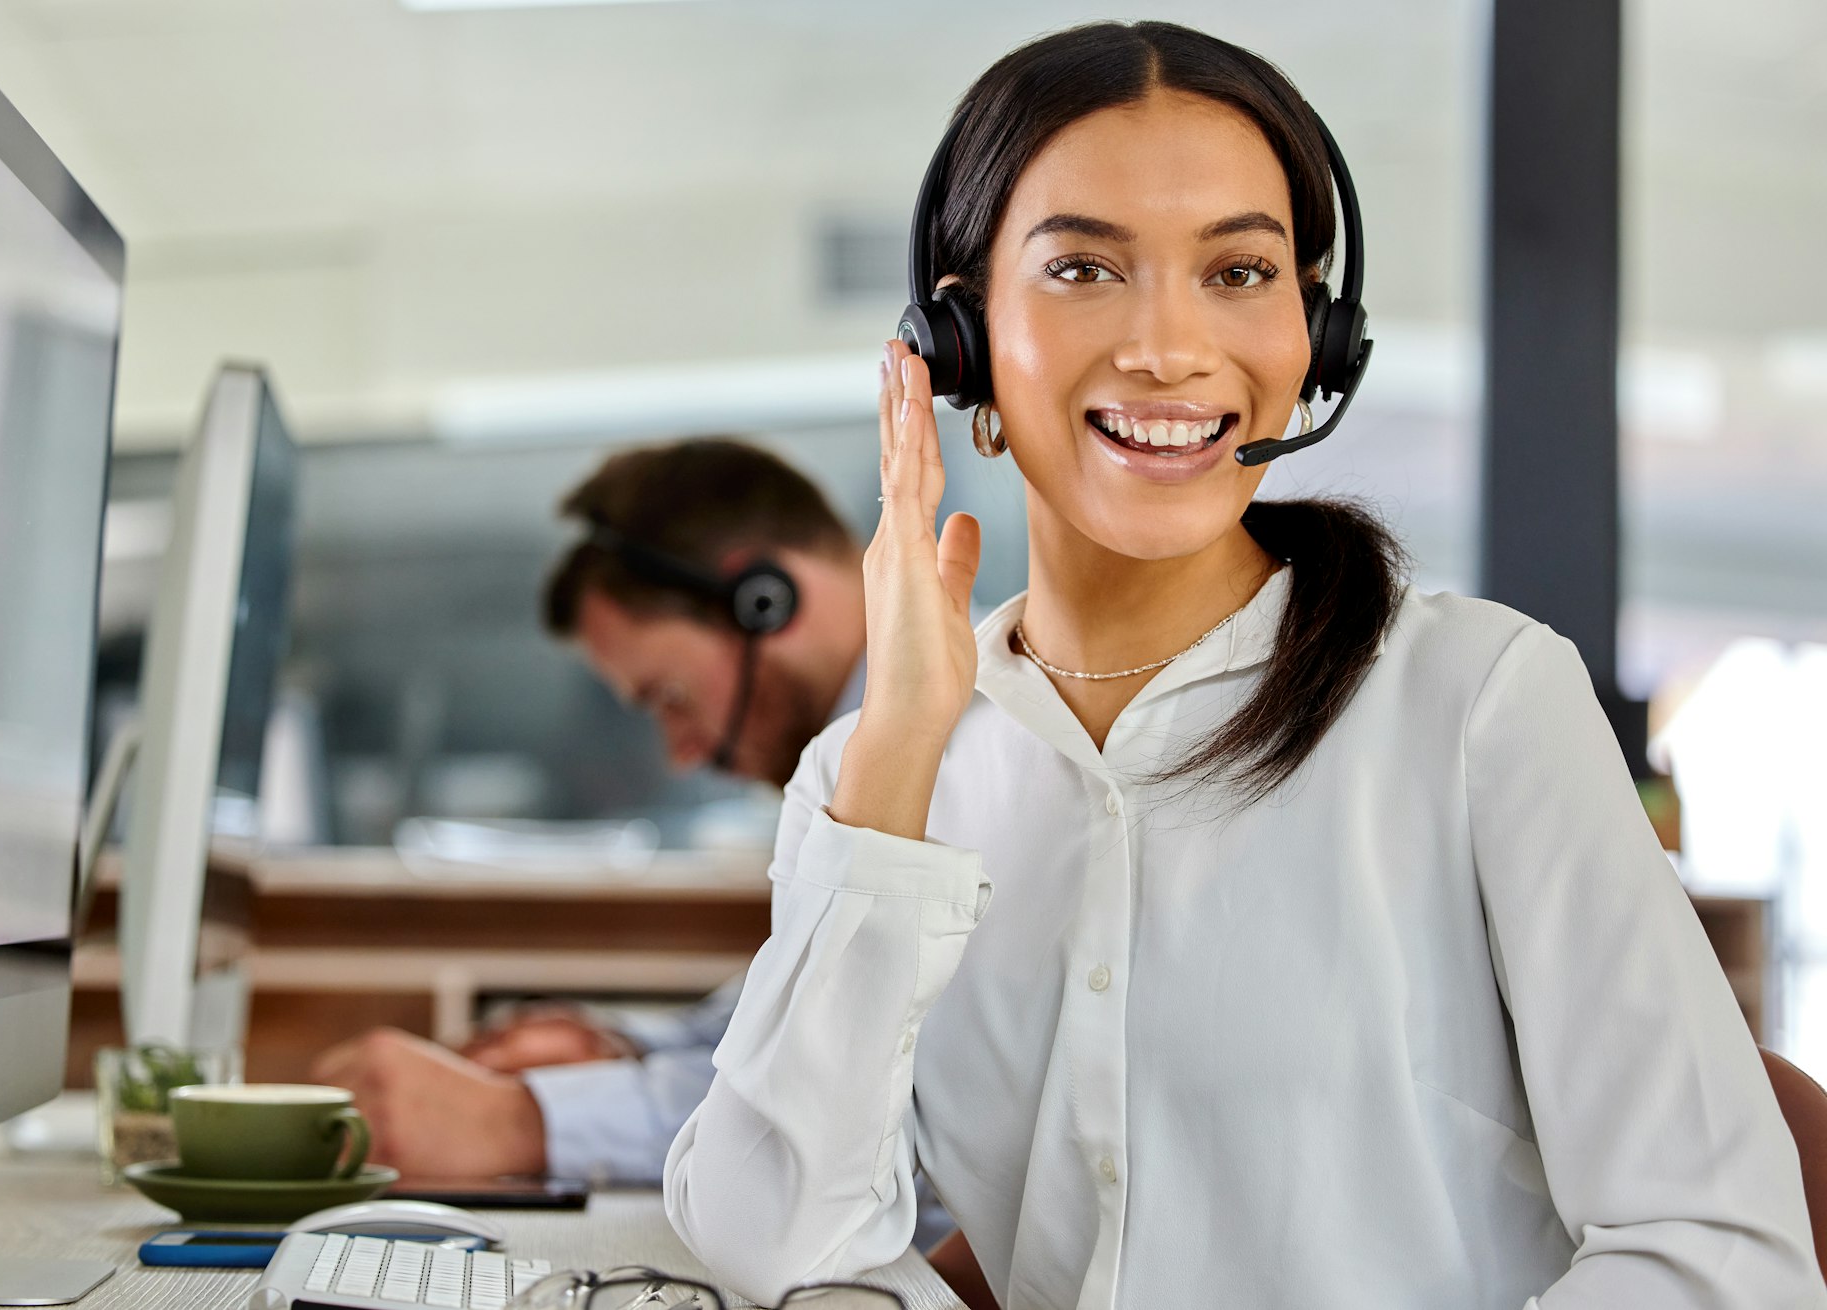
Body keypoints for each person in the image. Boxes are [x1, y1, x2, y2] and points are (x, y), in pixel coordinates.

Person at [662, 21, 1821, 1310]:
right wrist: (893, 758)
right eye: (1084, 268)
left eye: (1238, 271)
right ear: (958, 343)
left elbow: (1722, 1263)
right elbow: (774, 1244)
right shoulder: (880, 770)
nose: (1167, 345)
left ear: (1314, 335)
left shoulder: (1477, 704)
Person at [311, 440, 867, 1185]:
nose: (680, 753)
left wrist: (518, 1125)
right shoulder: (852, 761)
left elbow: (864, 1098)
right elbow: (798, 1021)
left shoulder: (957, 746)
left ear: (763, 602)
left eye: (669, 698)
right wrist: (621, 1048)